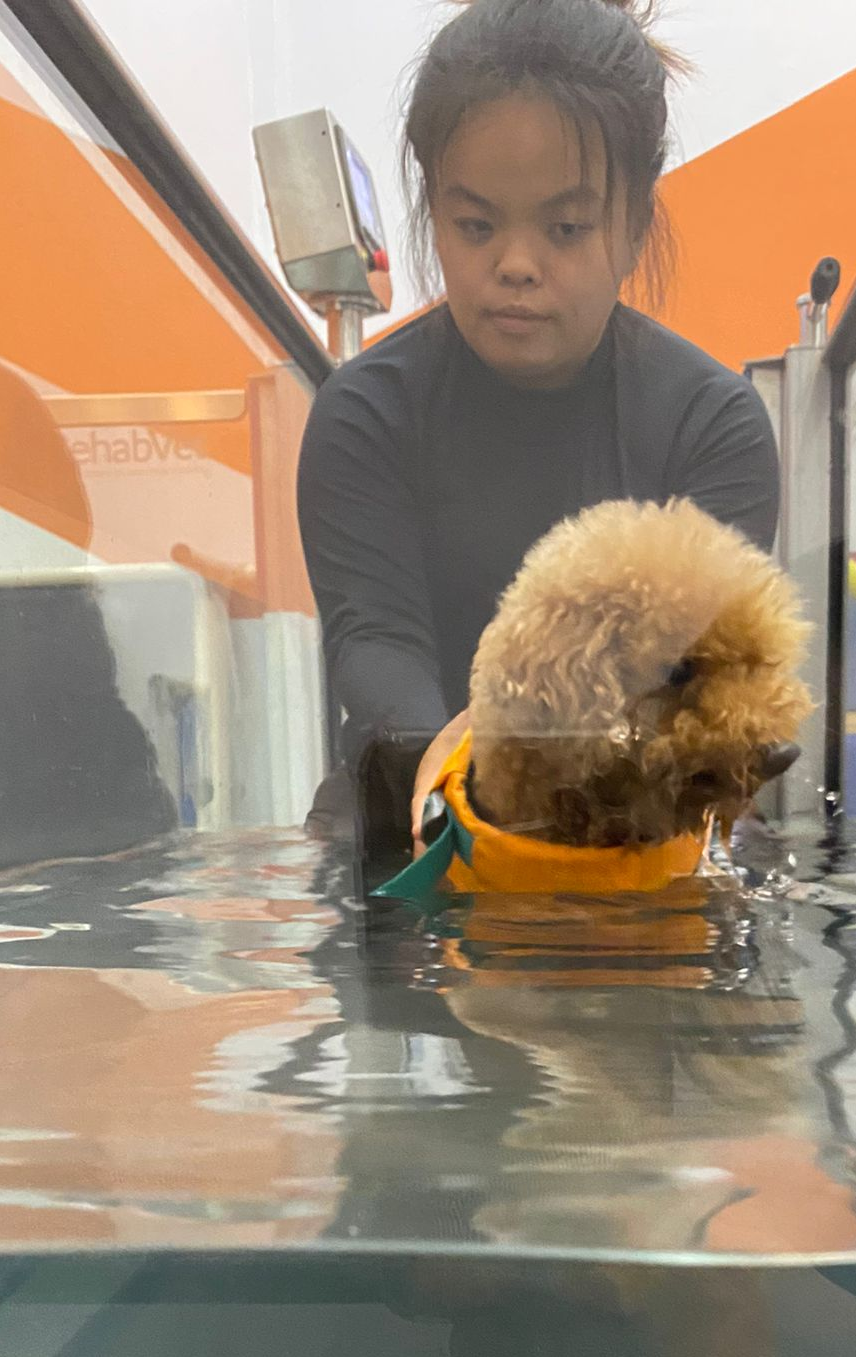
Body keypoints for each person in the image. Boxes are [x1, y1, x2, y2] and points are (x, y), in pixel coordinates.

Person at [296, 0, 781, 845]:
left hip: (632, 824)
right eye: (476, 224)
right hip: (411, 814)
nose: (515, 265)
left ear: (633, 226)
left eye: (565, 227)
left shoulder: (713, 423)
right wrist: (459, 762)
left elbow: (705, 682)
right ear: (433, 213)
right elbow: (374, 639)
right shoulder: (365, 413)